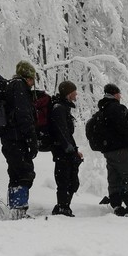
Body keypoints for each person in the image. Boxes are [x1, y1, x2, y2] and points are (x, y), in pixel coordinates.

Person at [1, 60, 38, 218]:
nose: (33, 83)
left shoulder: (10, 86)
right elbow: (24, 116)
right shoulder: (20, 87)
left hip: (9, 139)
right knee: (24, 173)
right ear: (28, 77)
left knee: (15, 172)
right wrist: (31, 139)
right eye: (32, 79)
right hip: (18, 139)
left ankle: (16, 209)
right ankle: (18, 210)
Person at [97, 83, 128, 216]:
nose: (120, 96)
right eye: (119, 94)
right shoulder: (117, 108)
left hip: (107, 150)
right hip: (120, 148)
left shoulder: (102, 109)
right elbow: (123, 129)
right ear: (115, 94)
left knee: (114, 177)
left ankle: (116, 205)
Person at [49, 80, 83, 217]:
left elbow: (66, 134)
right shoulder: (59, 109)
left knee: (71, 181)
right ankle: (63, 207)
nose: (76, 94)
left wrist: (74, 150)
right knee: (65, 181)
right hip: (62, 152)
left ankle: (63, 206)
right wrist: (71, 151)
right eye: (74, 91)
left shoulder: (63, 108)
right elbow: (62, 133)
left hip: (65, 151)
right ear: (69, 93)